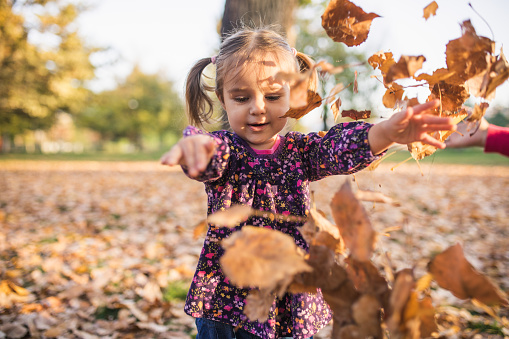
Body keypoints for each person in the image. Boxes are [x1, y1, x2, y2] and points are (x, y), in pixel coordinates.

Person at [160, 27, 455, 339]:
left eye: (273, 96)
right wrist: (196, 148)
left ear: (293, 96)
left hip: (289, 293)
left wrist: (384, 133)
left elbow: (338, 148)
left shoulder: (301, 151)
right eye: (241, 97)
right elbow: (210, 156)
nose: (258, 107)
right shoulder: (227, 150)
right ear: (223, 99)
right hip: (228, 295)